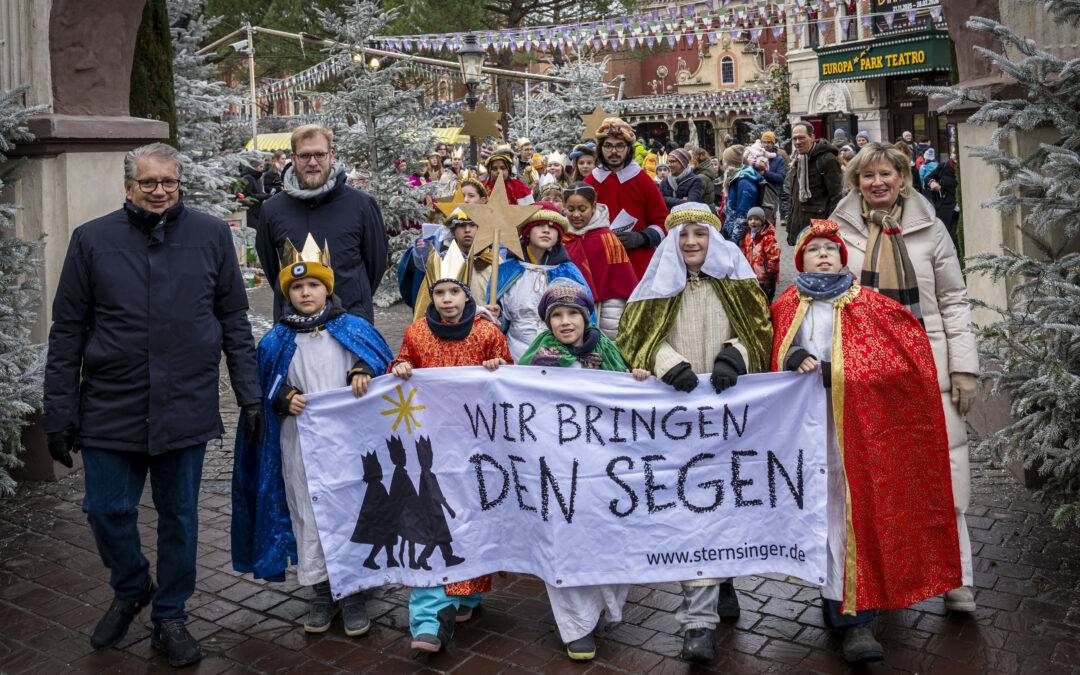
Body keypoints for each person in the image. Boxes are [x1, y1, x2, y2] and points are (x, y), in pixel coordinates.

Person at [43, 143, 262, 667]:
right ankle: (132, 584)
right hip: (110, 403)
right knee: (105, 509)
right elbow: (68, 330)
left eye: (168, 181)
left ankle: (170, 615)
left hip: (184, 401)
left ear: (179, 182)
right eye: (148, 183)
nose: (159, 191)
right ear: (128, 187)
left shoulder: (211, 235)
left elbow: (234, 318)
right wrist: (59, 411)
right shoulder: (92, 240)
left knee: (179, 517)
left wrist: (249, 393)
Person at [773, 220, 962, 664]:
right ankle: (833, 599)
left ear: (843, 257)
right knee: (821, 515)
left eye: (830, 249)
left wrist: (836, 374)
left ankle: (855, 618)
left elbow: (896, 367)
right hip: (806, 436)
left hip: (859, 433)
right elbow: (772, 355)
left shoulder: (872, 307)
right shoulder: (785, 305)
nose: (823, 254)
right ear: (800, 259)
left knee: (856, 513)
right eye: (813, 249)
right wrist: (790, 355)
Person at [616, 203, 773, 664]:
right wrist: (669, 365)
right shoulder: (656, 287)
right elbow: (635, 336)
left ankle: (724, 579)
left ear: (713, 240)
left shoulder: (738, 286)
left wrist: (735, 355)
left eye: (699, 236)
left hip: (729, 413)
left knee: (730, 499)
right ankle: (698, 619)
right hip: (678, 412)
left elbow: (761, 331)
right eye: (683, 237)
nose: (691, 244)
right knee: (694, 507)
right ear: (672, 242)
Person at [829, 142, 980, 614]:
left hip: (925, 364)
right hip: (860, 369)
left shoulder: (931, 230)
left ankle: (958, 576)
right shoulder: (837, 231)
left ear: (903, 178)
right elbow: (818, 298)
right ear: (856, 181)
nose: (878, 183)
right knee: (867, 476)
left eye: (886, 174)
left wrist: (964, 366)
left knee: (942, 472)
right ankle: (869, 579)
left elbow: (954, 300)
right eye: (868, 175)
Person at [232, 234, 393, 636]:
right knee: (309, 510)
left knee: (352, 507)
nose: (306, 292)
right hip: (299, 443)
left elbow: (380, 363)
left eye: (314, 285)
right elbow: (263, 385)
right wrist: (283, 397)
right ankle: (322, 590)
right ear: (288, 293)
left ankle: (353, 591)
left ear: (327, 288)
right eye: (298, 287)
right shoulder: (277, 339)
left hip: (350, 444)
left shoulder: (352, 327)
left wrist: (363, 371)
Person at [518, 280, 649, 661]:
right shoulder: (538, 354)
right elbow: (515, 395)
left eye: (572, 313)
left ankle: (600, 606)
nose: (565, 321)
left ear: (586, 315)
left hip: (602, 468)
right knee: (563, 539)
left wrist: (635, 380)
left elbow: (625, 402)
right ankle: (576, 626)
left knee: (606, 534)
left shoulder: (606, 349)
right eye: (556, 315)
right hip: (557, 468)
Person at [390, 273, 512, 657]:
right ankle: (428, 617)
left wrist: (498, 365)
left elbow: (509, 372)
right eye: (439, 292)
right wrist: (401, 368)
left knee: (472, 517)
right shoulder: (416, 333)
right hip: (430, 444)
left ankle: (469, 593)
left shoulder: (487, 332)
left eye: (453, 292)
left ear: (466, 295)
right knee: (431, 521)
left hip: (476, 443)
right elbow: (402, 362)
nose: (446, 299)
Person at [256, 124, 388, 323]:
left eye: (319, 154)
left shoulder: (361, 205)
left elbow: (375, 265)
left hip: (351, 322)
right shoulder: (272, 209)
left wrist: (353, 298)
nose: (312, 162)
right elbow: (272, 267)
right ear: (293, 158)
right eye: (304, 155)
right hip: (294, 327)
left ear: (331, 155)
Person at [492, 203, 592, 359]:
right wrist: (496, 316)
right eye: (539, 225)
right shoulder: (506, 270)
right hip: (514, 353)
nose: (546, 230)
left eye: (552, 228)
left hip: (559, 354)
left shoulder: (568, 272)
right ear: (527, 232)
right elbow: (497, 321)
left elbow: (585, 316)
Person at [585, 117, 669, 277]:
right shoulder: (590, 182)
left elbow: (663, 222)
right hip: (600, 265)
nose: (614, 151)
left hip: (639, 266)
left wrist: (642, 237)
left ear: (629, 148)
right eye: (608, 146)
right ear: (600, 148)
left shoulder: (643, 180)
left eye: (620, 146)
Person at [561, 182, 639, 339]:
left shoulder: (607, 238)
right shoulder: (562, 238)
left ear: (594, 207)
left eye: (582, 209)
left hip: (608, 310)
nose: (576, 215)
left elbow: (619, 282)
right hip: (568, 308)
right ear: (564, 207)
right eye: (571, 209)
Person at [410, 207, 497, 321]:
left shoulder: (494, 260)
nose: (467, 230)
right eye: (461, 226)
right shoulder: (442, 262)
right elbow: (428, 299)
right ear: (452, 231)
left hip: (486, 324)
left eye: (472, 225)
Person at [783, 121, 843, 246]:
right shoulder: (797, 159)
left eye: (801, 138)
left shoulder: (826, 159)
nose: (797, 142)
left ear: (812, 137)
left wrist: (827, 228)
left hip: (819, 228)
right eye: (794, 139)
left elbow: (837, 197)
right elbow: (794, 197)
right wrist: (790, 227)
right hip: (800, 226)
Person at [720, 148, 763, 245]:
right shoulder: (733, 177)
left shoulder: (744, 181)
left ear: (729, 162)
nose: (722, 163)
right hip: (731, 231)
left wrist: (733, 241)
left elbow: (743, 216)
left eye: (724, 159)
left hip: (740, 238)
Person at [739, 206, 780, 301]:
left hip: (764, 277)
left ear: (762, 221)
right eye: (750, 219)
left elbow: (774, 258)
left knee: (765, 301)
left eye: (757, 219)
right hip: (752, 276)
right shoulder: (748, 236)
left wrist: (771, 277)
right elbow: (745, 253)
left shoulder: (768, 238)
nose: (753, 222)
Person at [924, 154, 959, 249]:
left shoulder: (965, 167)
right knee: (947, 241)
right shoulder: (944, 166)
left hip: (961, 210)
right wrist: (932, 183)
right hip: (945, 210)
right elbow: (927, 178)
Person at [760, 131, 788, 223]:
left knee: (769, 222)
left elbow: (780, 177)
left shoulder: (778, 159)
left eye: (769, 142)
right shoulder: (756, 156)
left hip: (772, 194)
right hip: (757, 193)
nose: (766, 145)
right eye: (764, 142)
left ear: (773, 143)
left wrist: (765, 173)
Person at [239, 157, 271, 230]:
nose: (262, 169)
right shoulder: (248, 177)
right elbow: (248, 195)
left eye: (263, 166)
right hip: (250, 211)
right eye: (260, 166)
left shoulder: (257, 178)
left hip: (258, 210)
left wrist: (267, 196)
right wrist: (264, 196)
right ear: (254, 167)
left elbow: (259, 192)